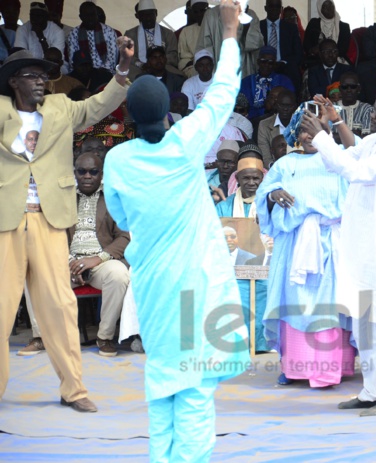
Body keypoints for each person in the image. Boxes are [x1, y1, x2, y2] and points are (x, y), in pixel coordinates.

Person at [102, 2, 250, 461]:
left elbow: (122, 219)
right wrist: (229, 30)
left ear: (128, 114)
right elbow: (224, 90)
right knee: (195, 389)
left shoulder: (117, 161)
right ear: (171, 111)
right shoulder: (187, 141)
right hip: (195, 285)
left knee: (165, 378)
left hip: (153, 288)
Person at [0, 35, 133, 413]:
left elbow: (99, 105)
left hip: (49, 221)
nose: (43, 81)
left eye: (45, 75)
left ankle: (73, 389)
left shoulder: (60, 108)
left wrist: (122, 70)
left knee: (60, 306)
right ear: (14, 81)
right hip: (5, 222)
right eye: (33, 75)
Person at [300, 88, 376, 416]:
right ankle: (371, 390)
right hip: (364, 245)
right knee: (365, 319)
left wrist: (322, 136)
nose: (371, 116)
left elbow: (355, 172)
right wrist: (335, 122)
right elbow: (351, 152)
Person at [257, 100, 355, 387]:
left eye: (316, 128)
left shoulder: (338, 160)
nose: (309, 136)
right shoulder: (285, 164)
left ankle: (328, 369)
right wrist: (273, 195)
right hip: (294, 244)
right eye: (303, 130)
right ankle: (295, 366)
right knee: (294, 302)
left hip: (331, 243)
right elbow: (265, 192)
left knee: (327, 304)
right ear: (294, 134)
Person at [19, 153, 131, 358]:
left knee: (119, 274)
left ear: (101, 174)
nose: (87, 176)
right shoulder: (63, 199)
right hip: (66, 263)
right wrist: (69, 261)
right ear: (75, 173)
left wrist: (97, 259)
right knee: (32, 273)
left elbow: (124, 237)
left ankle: (104, 337)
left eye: (93, 172)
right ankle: (40, 337)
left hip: (100, 263)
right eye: (82, 171)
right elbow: (52, 234)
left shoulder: (114, 199)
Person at [197, 2, 264, 78]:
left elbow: (257, 44)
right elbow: (205, 47)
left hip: (244, 69)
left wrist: (246, 28)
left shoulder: (250, 15)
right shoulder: (211, 15)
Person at [125, 0, 179, 79]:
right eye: (144, 15)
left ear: (156, 13)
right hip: (140, 68)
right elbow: (128, 55)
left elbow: (173, 55)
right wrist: (142, 64)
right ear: (138, 16)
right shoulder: (130, 34)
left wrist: (157, 62)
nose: (148, 18)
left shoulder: (168, 33)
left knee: (179, 76)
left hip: (164, 66)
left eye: (150, 14)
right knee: (128, 75)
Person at [64, 1, 119, 76]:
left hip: (104, 73)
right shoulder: (74, 33)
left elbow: (112, 60)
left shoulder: (109, 31)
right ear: (80, 17)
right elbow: (73, 60)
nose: (90, 18)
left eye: (93, 15)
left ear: (96, 15)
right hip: (82, 72)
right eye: (86, 15)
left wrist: (96, 73)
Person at [240, 45, 295, 119]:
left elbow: (289, 102)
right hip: (251, 120)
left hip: (278, 119)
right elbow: (242, 106)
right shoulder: (246, 82)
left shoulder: (284, 81)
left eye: (270, 63)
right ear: (258, 62)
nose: (266, 65)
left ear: (275, 64)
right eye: (263, 61)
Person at [260, 0, 304, 92]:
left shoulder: (291, 28)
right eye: (271, 6)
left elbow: (298, 54)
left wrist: (283, 62)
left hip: (285, 66)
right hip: (263, 66)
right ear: (265, 8)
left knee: (293, 72)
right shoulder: (259, 26)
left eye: (277, 7)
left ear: (281, 9)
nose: (274, 10)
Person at [303, 0, 351, 68]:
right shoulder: (313, 23)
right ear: (320, 9)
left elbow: (343, 49)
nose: (329, 9)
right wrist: (313, 50)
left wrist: (327, 52)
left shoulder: (344, 27)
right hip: (316, 61)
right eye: (325, 6)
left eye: (331, 5)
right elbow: (306, 45)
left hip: (337, 60)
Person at [257, 88, 296, 168]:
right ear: (276, 105)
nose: (285, 109)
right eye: (282, 105)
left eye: (289, 106)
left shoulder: (302, 124)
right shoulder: (264, 125)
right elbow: (265, 156)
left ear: (295, 106)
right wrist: (275, 168)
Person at [178, 0, 209, 78]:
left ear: (208, 10)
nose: (199, 14)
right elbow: (183, 58)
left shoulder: (217, 28)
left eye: (202, 11)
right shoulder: (186, 31)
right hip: (194, 67)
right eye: (196, 12)